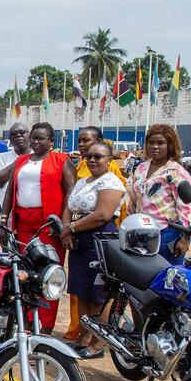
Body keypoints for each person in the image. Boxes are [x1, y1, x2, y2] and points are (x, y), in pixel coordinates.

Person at [0, 122, 75, 331]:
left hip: (48, 226)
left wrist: (63, 222)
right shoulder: (22, 160)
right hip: (23, 225)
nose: (36, 141)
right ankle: (26, 322)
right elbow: (9, 191)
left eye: (42, 138)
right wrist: (3, 218)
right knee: (24, 274)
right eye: (34, 137)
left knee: (47, 274)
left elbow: (71, 191)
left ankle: (45, 326)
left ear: (51, 142)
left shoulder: (61, 160)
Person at [61, 125, 128, 342]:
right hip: (79, 243)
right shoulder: (83, 181)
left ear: (109, 160)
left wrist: (71, 228)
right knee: (81, 292)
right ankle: (83, 338)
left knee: (98, 295)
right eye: (89, 156)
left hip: (100, 242)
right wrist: (67, 231)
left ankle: (97, 342)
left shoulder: (111, 181)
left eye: (97, 157)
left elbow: (102, 214)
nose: (91, 160)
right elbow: (69, 207)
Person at [126, 123, 191, 264]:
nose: (155, 147)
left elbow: (186, 208)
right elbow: (134, 193)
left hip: (166, 233)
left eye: (160, 143)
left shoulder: (176, 172)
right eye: (151, 142)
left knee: (166, 278)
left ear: (170, 145)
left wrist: (185, 239)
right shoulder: (140, 168)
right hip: (141, 231)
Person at [0, 123, 30, 209]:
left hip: (30, 214)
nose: (18, 135)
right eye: (14, 134)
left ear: (29, 136)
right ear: (10, 139)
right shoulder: (0, 157)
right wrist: (19, 161)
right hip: (4, 214)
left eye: (22, 132)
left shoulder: (39, 157)